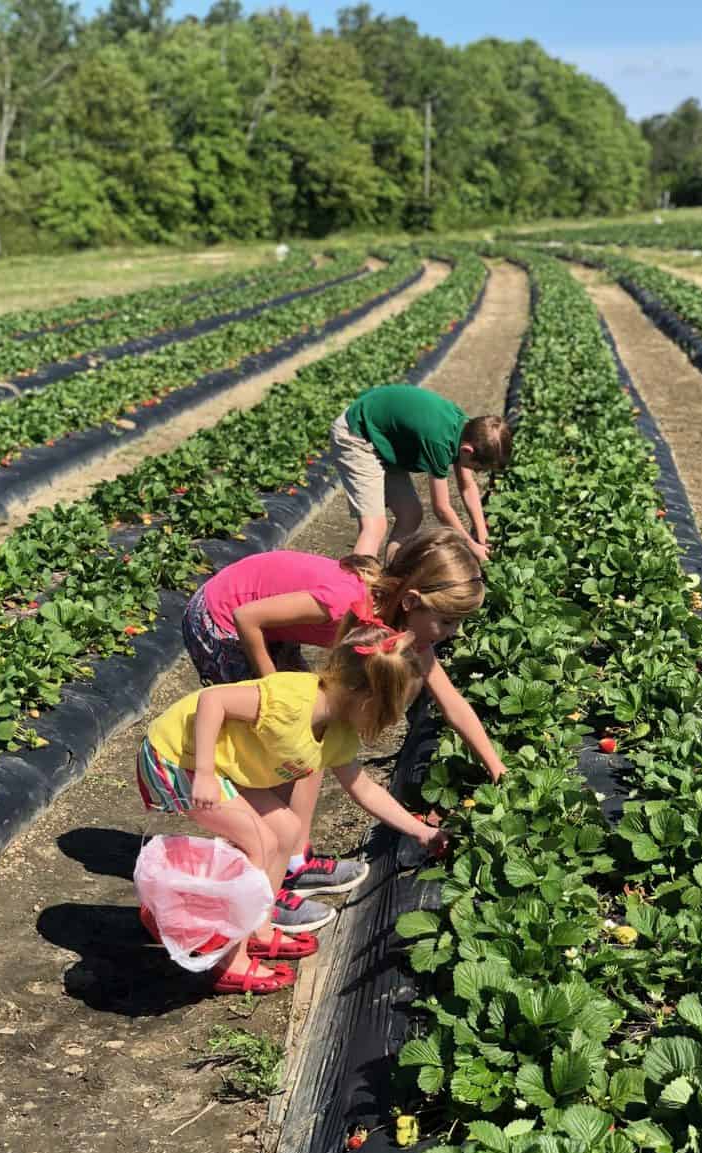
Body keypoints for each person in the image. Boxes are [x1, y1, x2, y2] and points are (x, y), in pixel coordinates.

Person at [180, 529, 506, 929]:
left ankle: (294, 860)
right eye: (447, 621)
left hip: (264, 626)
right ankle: (261, 880)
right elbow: (248, 617)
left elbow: (451, 701)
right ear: (411, 601)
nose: (453, 633)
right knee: (279, 751)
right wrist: (274, 691)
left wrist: (497, 767)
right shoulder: (342, 601)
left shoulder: (402, 628)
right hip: (223, 620)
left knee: (312, 743)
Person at [137, 624, 449, 995]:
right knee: (259, 843)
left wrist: (423, 832)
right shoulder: (290, 700)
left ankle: (257, 926)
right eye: (388, 712)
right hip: (176, 757)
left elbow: (363, 788)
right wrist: (203, 771)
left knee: (284, 828)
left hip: (217, 766)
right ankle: (227, 961)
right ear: (365, 698)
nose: (389, 722)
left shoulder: (338, 733)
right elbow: (212, 701)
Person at [330, 383, 512, 561]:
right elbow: (441, 508)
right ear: (467, 450)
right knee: (375, 527)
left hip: (383, 437)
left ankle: (390, 579)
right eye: (478, 468)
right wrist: (471, 546)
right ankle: (353, 586)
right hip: (356, 435)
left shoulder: (467, 429)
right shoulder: (439, 441)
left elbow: (467, 486)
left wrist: (482, 534)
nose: (476, 472)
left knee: (411, 514)